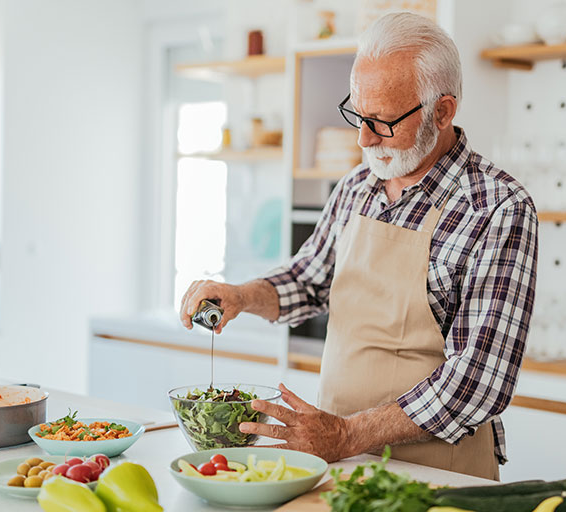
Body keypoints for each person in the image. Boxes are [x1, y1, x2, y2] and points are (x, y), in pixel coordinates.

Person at [179, 12, 538, 480]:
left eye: (383, 122)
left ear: (444, 111)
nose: (363, 138)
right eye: (358, 114)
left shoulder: (497, 207)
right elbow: (308, 281)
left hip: (439, 475)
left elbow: (478, 382)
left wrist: (348, 434)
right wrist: (243, 296)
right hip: (337, 461)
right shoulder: (356, 186)